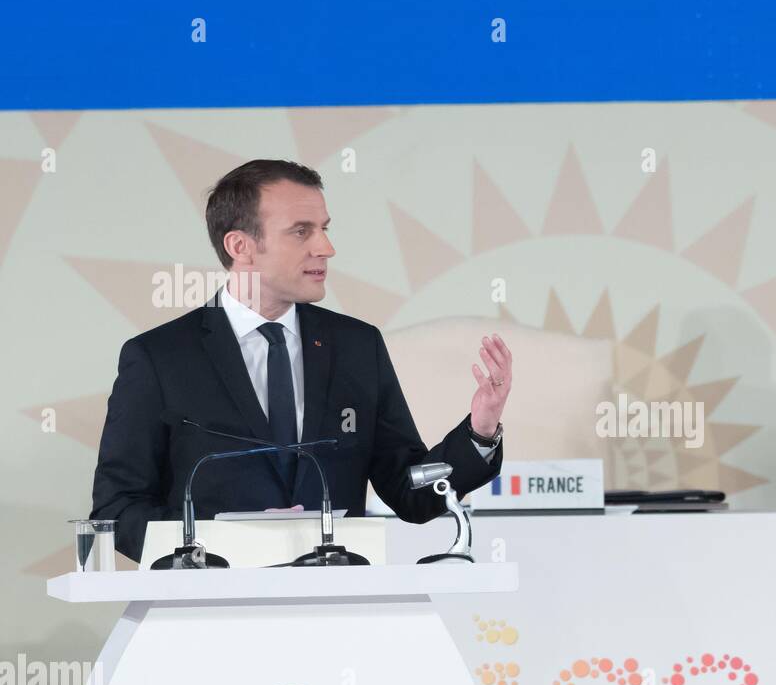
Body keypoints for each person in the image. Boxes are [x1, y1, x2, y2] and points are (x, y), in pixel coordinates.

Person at [91, 159, 512, 562]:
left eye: (325, 229)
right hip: (208, 614)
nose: (326, 248)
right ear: (241, 246)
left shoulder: (357, 346)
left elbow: (410, 491)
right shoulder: (160, 358)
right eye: (301, 232)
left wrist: (479, 432)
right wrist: (224, 543)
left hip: (335, 611)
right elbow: (117, 511)